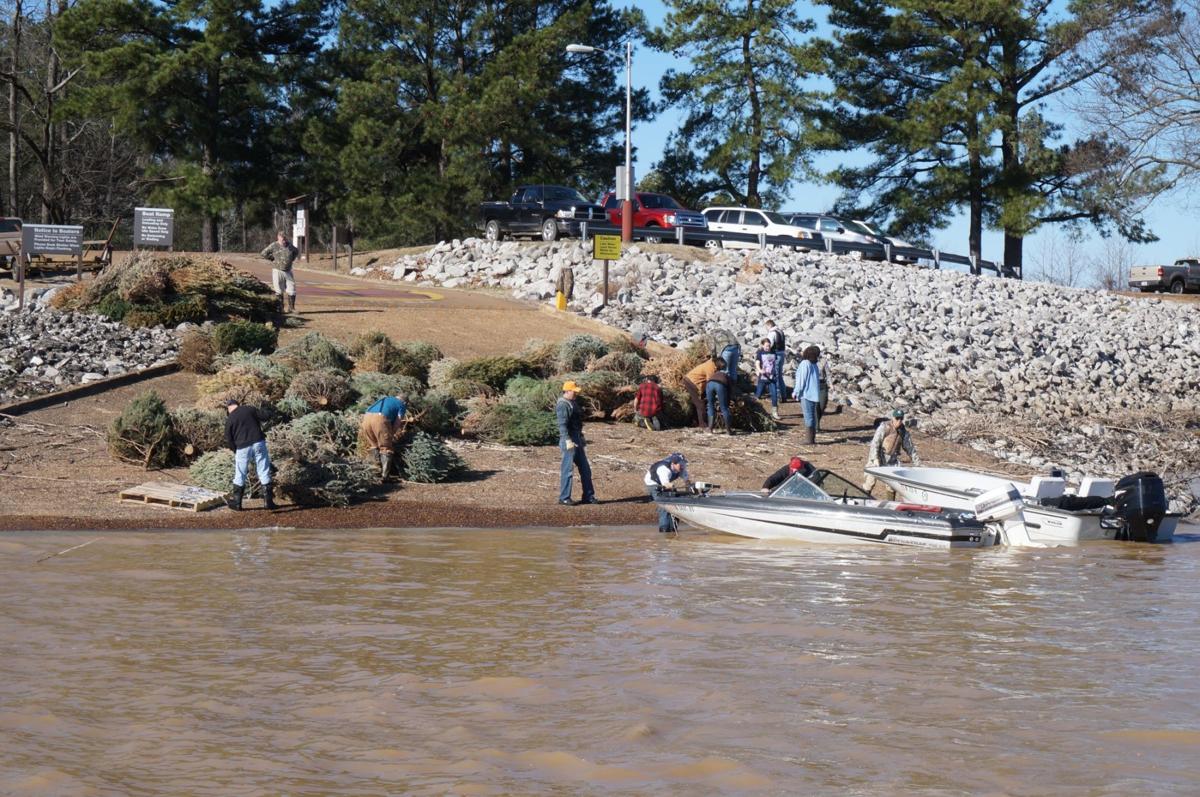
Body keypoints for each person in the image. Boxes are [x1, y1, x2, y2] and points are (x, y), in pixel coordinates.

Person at [223, 398, 275, 511]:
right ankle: (268, 502)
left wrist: (235, 450)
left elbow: (229, 439)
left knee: (240, 473)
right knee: (263, 470)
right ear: (238, 404)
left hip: (242, 447)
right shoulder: (249, 409)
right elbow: (265, 416)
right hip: (258, 442)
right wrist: (267, 407)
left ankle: (237, 504)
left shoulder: (230, 419)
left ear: (228, 408)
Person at [862, 409, 922, 494]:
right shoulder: (885, 427)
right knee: (870, 482)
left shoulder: (903, 432)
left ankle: (890, 504)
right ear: (893, 418)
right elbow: (875, 443)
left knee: (892, 486)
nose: (899, 421)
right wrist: (875, 459)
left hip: (891, 460)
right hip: (879, 456)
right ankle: (864, 498)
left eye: (901, 419)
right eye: (897, 418)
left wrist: (917, 463)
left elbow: (910, 449)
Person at [557, 380, 597, 505]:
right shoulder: (563, 404)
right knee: (567, 470)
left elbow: (577, 423)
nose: (576, 394)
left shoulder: (572, 402)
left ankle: (588, 496)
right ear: (567, 391)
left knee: (585, 469)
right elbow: (562, 424)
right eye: (574, 392)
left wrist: (581, 436)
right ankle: (564, 497)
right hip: (568, 439)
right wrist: (567, 439)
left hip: (577, 438)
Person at [360, 393, 408, 478]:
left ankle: (375, 472)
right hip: (379, 419)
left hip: (366, 418)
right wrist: (391, 434)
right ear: (404, 402)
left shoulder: (385, 398)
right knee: (386, 448)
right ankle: (385, 477)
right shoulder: (401, 405)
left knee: (374, 445)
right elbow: (398, 422)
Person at [644, 452, 690, 533]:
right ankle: (664, 529)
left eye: (683, 464)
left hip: (666, 483)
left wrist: (690, 488)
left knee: (676, 503)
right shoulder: (664, 469)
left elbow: (687, 481)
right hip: (654, 484)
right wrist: (671, 487)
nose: (683, 466)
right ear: (674, 463)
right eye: (680, 464)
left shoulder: (681, 468)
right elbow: (666, 484)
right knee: (664, 505)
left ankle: (673, 529)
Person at [260, 231, 299, 313]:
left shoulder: (290, 245)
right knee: (278, 290)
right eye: (282, 237)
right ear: (278, 237)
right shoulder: (274, 245)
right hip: (277, 270)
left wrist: (291, 259)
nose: (283, 239)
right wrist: (272, 259)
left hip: (288, 271)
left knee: (292, 289)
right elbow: (263, 253)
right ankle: (280, 309)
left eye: (285, 237)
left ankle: (291, 308)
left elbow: (296, 251)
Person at [793, 345, 822, 444]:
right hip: (814, 394)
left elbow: (802, 380)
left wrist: (796, 392)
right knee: (812, 417)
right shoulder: (814, 365)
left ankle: (809, 440)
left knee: (808, 416)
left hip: (806, 394)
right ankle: (812, 438)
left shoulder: (805, 364)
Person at [683, 356, 723, 428]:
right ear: (718, 364)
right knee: (700, 404)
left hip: (695, 382)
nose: (720, 370)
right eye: (720, 368)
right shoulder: (710, 368)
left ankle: (695, 422)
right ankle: (703, 425)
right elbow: (710, 384)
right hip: (691, 382)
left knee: (698, 403)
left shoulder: (712, 364)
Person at [753, 338, 780, 420]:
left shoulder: (773, 352)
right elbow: (757, 363)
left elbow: (774, 363)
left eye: (769, 346)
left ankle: (775, 412)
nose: (768, 347)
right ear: (762, 345)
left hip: (772, 378)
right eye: (766, 346)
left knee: (774, 395)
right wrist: (760, 370)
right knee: (758, 394)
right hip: (763, 377)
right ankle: (754, 410)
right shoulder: (760, 353)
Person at [705, 367, 733, 433]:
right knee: (724, 408)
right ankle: (728, 430)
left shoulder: (714, 374)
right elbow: (729, 391)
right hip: (720, 384)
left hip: (709, 384)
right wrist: (727, 402)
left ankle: (710, 429)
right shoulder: (727, 376)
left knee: (710, 406)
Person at [765, 320, 787, 400]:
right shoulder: (780, 331)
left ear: (769, 325)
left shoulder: (772, 333)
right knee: (780, 376)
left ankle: (778, 396)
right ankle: (784, 395)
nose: (766, 329)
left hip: (776, 354)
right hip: (782, 354)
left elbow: (769, 345)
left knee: (775, 376)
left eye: (766, 327)